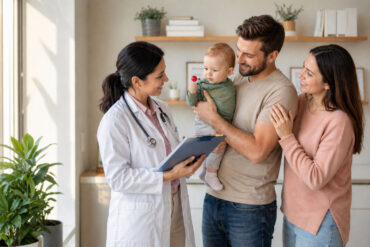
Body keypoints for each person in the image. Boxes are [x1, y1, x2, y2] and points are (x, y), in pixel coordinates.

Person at [194, 15, 298, 246]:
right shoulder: (238, 78)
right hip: (214, 197)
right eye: (238, 50)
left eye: (249, 55)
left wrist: (213, 119)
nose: (239, 60)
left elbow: (258, 151)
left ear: (272, 56)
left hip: (249, 208)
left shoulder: (281, 92)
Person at [97, 41, 205, 247]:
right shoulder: (115, 121)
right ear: (137, 81)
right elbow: (117, 178)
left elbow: (168, 155)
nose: (166, 79)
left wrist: (191, 161)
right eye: (159, 75)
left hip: (174, 207)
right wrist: (168, 176)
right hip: (141, 219)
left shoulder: (163, 109)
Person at [269, 44, 364, 247]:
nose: (300, 75)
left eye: (309, 73)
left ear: (329, 83)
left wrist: (286, 137)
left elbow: (315, 178)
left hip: (321, 223)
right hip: (293, 215)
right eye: (304, 67)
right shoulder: (302, 102)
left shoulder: (339, 122)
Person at [186, 43, 236, 191]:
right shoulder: (203, 84)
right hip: (205, 123)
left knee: (213, 148)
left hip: (220, 122)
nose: (208, 74)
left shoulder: (230, 84)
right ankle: (210, 174)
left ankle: (204, 172)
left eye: (214, 70)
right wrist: (192, 91)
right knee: (218, 147)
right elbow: (192, 103)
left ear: (229, 71)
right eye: (206, 69)